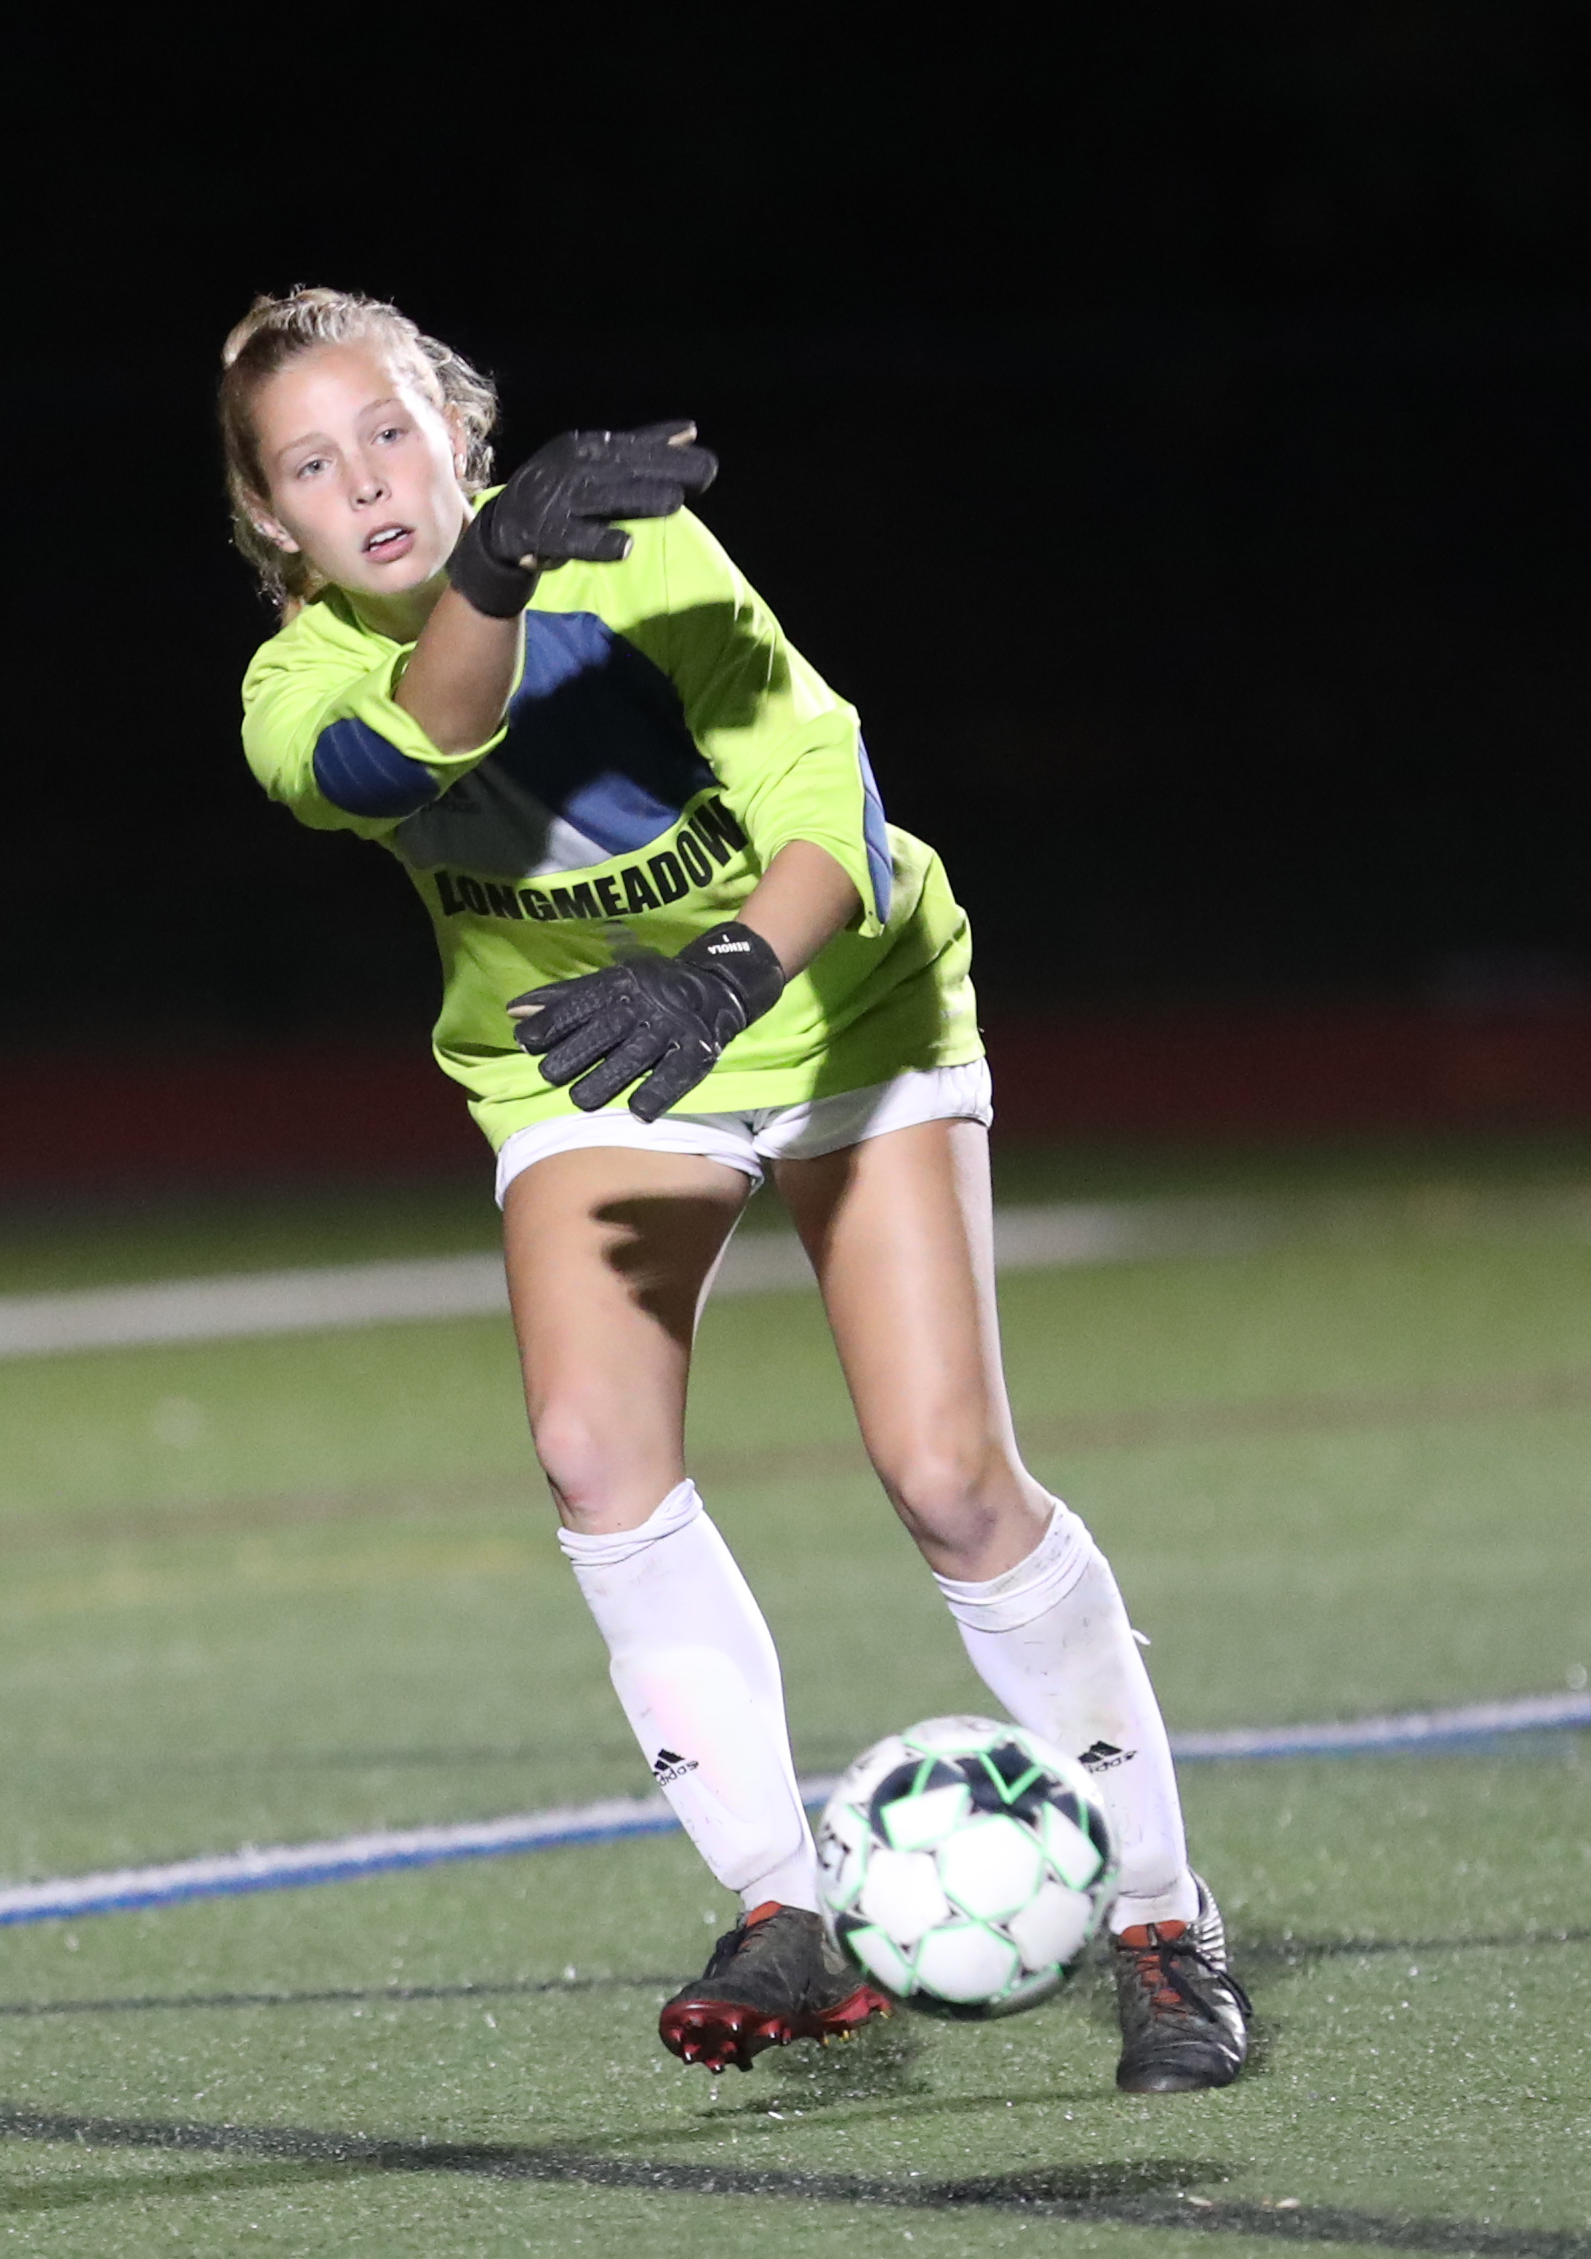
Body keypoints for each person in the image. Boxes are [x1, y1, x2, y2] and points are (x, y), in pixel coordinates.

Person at [220, 286, 1249, 2092]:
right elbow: (414, 747)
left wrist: (727, 976)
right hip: (590, 1055)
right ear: (271, 521)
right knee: (590, 1451)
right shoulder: (295, 691)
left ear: (462, 431)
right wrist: (490, 578)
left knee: (949, 1480)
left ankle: (1164, 1919)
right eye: (312, 466)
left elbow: (828, 807)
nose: (364, 481)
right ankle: (789, 1907)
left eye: (390, 432)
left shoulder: (640, 557)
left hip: (836, 998)